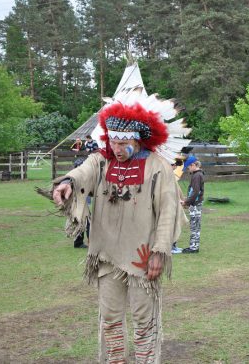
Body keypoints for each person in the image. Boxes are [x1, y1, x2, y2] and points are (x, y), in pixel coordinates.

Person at [50, 92, 183, 363]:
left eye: (124, 142)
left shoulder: (158, 167)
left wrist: (159, 251)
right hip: (106, 255)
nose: (118, 148)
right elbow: (82, 173)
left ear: (138, 139)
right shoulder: (102, 160)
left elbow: (168, 211)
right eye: (113, 141)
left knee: (144, 321)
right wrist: (67, 182)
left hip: (142, 256)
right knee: (110, 318)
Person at [178, 155, 204, 254]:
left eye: (188, 167)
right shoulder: (197, 175)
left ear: (193, 165)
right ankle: (194, 246)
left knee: (194, 225)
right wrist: (187, 199)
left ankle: (194, 248)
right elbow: (193, 191)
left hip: (195, 204)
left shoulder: (197, 176)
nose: (188, 169)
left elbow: (196, 192)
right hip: (195, 203)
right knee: (195, 225)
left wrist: (186, 202)